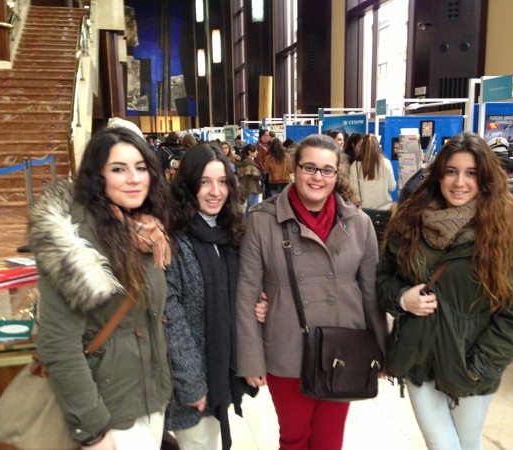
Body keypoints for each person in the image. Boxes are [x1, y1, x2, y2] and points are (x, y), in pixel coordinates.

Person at [377, 131, 513, 450]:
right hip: (418, 355)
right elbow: (383, 278)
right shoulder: (409, 221)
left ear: (485, 179)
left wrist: (480, 366)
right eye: (451, 171)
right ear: (438, 175)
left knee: (466, 442)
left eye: (471, 173)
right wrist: (402, 298)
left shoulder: (504, 231)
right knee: (440, 443)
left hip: (469, 361)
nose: (459, 182)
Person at [236, 134, 387, 450]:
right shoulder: (263, 220)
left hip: (343, 347)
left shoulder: (358, 223)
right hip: (287, 346)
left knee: (329, 440)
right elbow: (247, 292)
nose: (318, 177)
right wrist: (250, 358)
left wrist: (381, 352)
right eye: (309, 168)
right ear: (294, 169)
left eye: (327, 170)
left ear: (337, 174)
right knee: (294, 437)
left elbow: (371, 293)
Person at [28, 126, 173, 449]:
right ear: (97, 176)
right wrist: (93, 429)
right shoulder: (74, 243)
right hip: (109, 410)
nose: (134, 179)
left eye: (141, 168)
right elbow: (57, 344)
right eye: (118, 169)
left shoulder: (143, 229)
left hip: (150, 399)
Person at [164, 143, 248, 450]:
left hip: (219, 373)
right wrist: (191, 383)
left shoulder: (231, 233)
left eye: (222, 181)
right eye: (204, 182)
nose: (215, 192)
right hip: (191, 384)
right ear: (189, 186)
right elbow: (170, 318)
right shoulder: (171, 239)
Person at [349, 133, 396, 211]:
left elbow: (353, 191)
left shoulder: (355, 165)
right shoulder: (386, 163)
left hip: (363, 212)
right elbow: (392, 187)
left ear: (362, 147)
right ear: (378, 146)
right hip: (384, 211)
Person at [237, 144, 263, 218]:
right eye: (255, 151)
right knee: (252, 208)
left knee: (249, 208)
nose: (257, 152)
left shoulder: (243, 161)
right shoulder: (249, 162)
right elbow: (256, 175)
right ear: (250, 152)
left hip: (245, 186)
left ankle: (246, 223)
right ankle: (249, 224)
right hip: (252, 187)